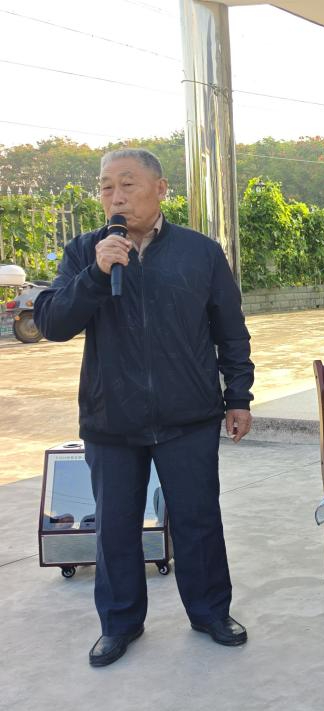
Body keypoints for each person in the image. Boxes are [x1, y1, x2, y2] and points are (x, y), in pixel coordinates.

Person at [33, 149, 255, 667]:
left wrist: (238, 397)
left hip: (188, 416)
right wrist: (95, 273)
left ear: (160, 189)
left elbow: (230, 330)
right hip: (111, 419)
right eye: (105, 186)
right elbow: (53, 323)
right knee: (115, 528)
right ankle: (119, 623)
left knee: (198, 521)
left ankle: (210, 613)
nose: (115, 196)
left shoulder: (200, 252)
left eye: (127, 184)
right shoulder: (84, 251)